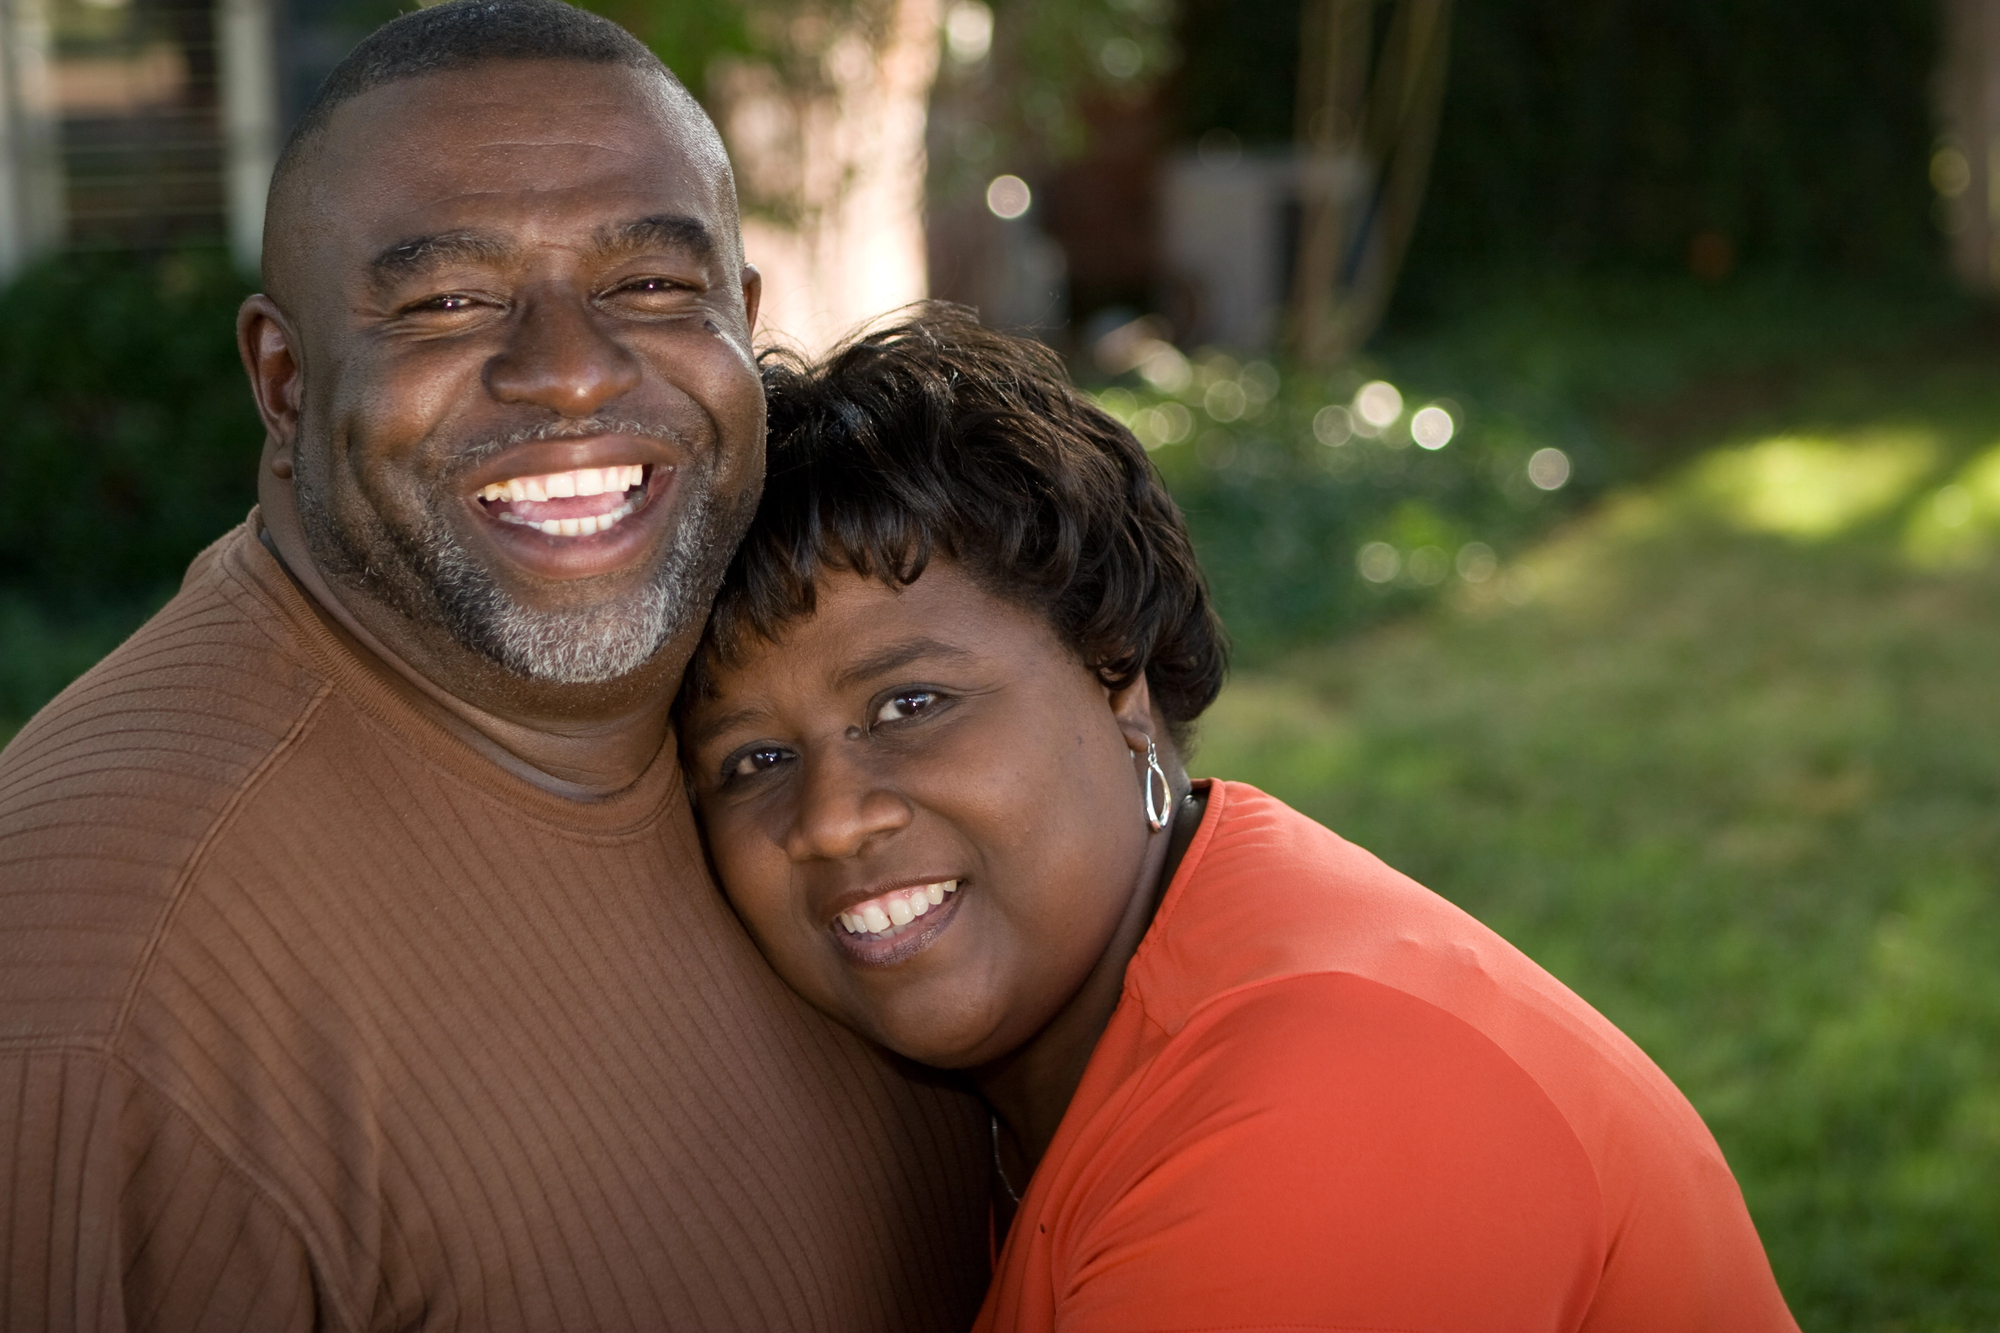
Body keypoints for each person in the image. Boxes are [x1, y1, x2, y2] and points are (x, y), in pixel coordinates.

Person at [0, 4, 990, 1328]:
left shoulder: (790, 724)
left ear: (743, 330)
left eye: (649, 284)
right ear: (285, 383)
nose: (573, 375)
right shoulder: (107, 988)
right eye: (449, 300)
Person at [678, 305, 1803, 1332]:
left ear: (1114, 672)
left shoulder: (1321, 1099)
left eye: (908, 704)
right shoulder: (1065, 1042)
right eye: (753, 759)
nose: (829, 818)